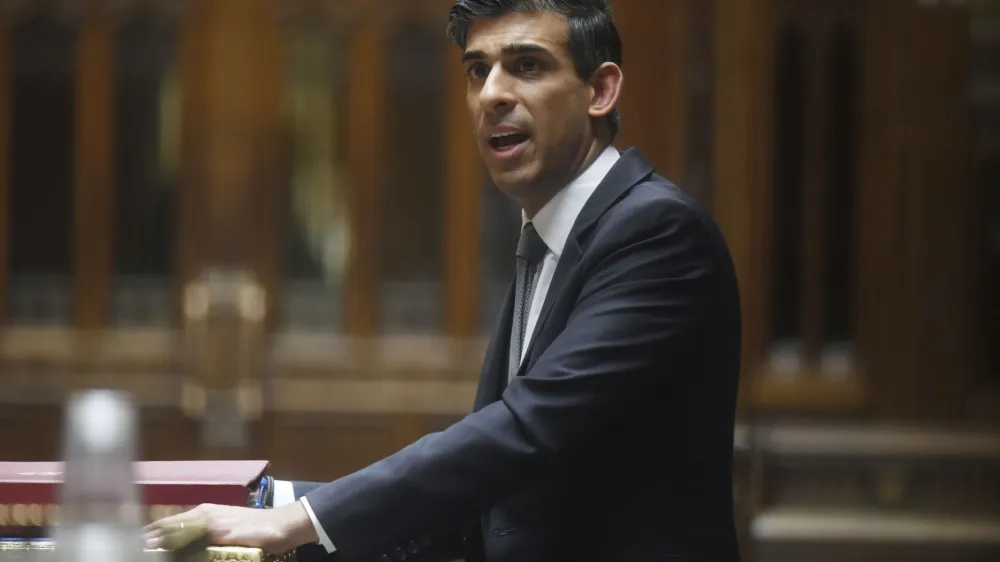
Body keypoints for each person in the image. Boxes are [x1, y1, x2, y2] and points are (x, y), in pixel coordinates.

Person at [144, 0, 743, 561]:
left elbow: (524, 430)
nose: (493, 95)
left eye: (527, 66)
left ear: (601, 89)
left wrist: (297, 520)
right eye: (477, 71)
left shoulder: (656, 233)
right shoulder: (553, 236)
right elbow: (488, 494)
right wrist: (266, 502)